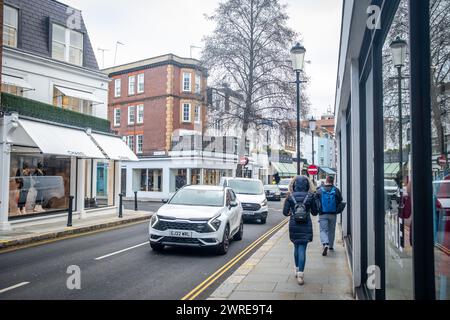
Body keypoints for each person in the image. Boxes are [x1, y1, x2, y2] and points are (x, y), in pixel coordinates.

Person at [283, 175, 318, 285]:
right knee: (302, 247)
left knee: (296, 246)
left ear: (294, 185)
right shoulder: (310, 196)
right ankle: (300, 275)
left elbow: (285, 212)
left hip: (294, 224)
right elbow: (315, 212)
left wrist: (293, 213)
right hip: (306, 224)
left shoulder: (290, 196)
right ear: (307, 185)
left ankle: (296, 269)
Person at [317, 175, 343, 256]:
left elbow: (316, 201)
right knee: (332, 230)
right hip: (333, 214)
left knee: (323, 230)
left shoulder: (319, 190)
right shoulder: (336, 190)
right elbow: (340, 200)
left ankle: (325, 243)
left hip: (322, 214)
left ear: (326, 180)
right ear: (333, 181)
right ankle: (331, 246)